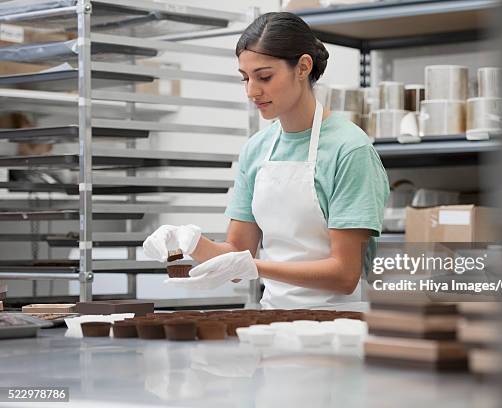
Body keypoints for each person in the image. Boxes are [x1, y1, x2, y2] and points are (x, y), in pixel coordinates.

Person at [143, 12, 389, 310]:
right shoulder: (256, 150)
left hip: (340, 325)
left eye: (264, 77)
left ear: (303, 67)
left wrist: (254, 267)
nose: (251, 91)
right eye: (245, 78)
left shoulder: (349, 150)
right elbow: (237, 251)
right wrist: (190, 243)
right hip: (273, 322)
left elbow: (344, 274)